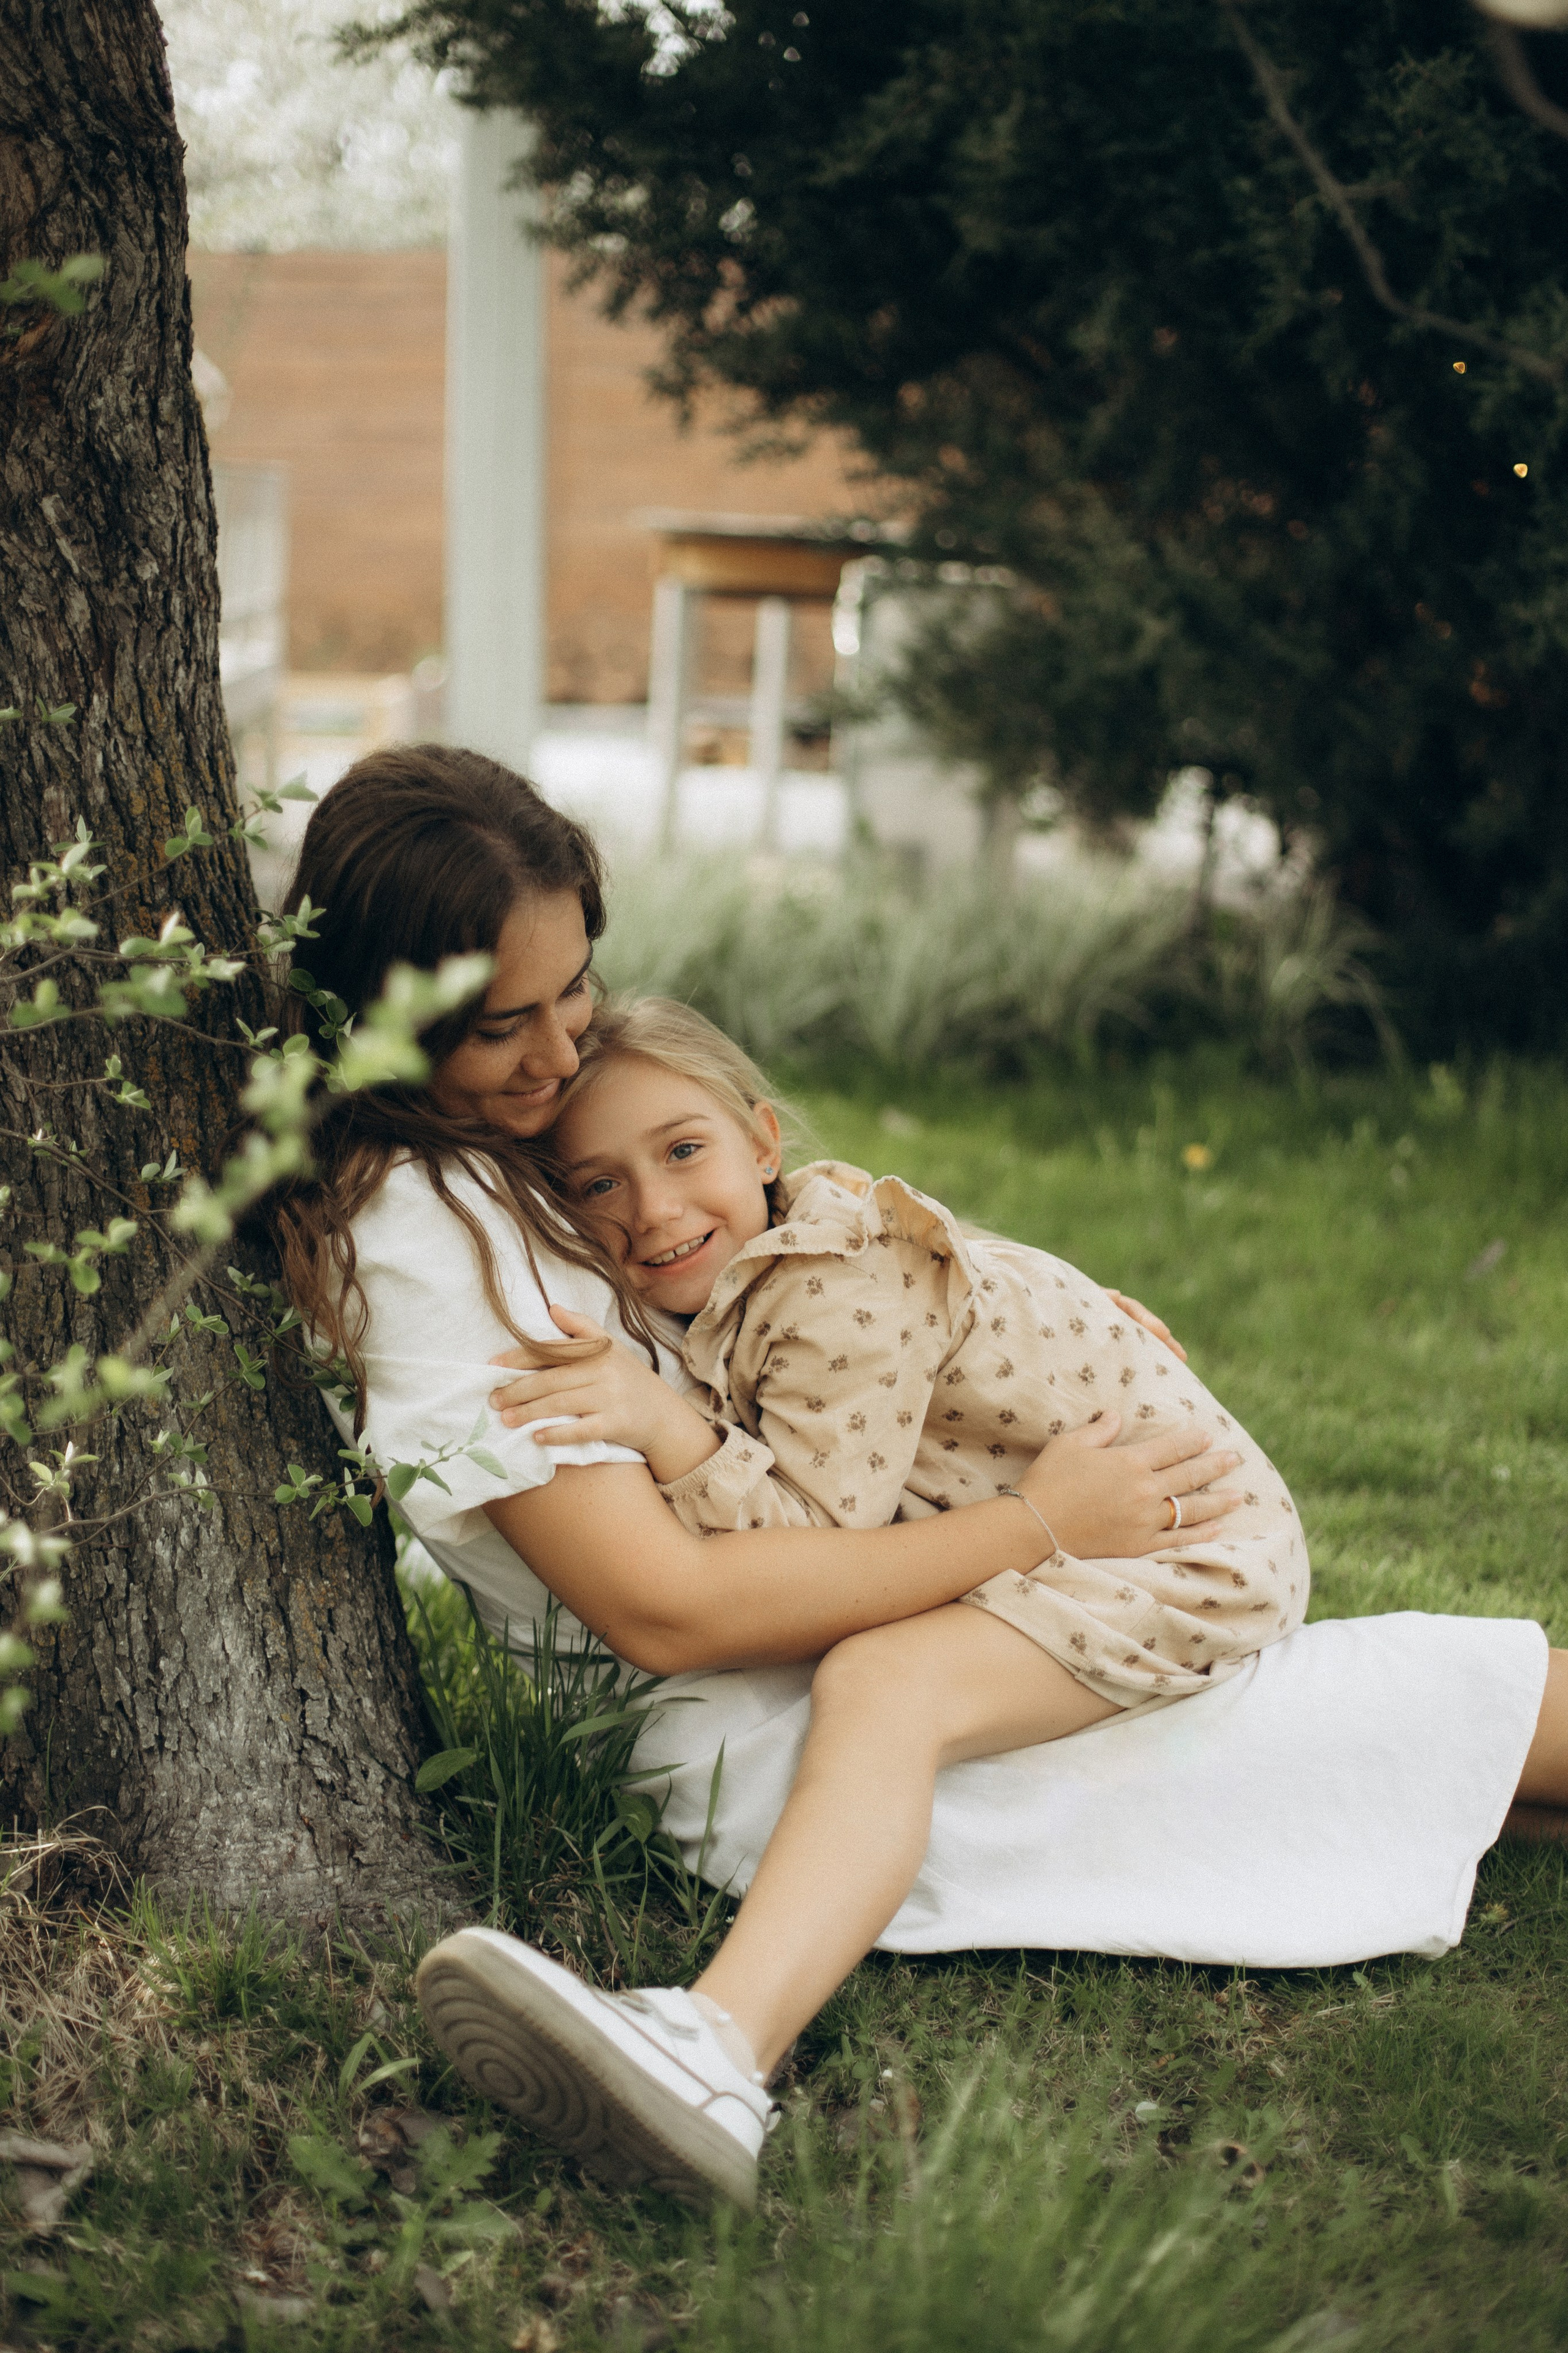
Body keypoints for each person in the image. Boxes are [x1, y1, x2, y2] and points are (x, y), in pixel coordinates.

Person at [265, 743, 1567, 2215]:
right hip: (806, 1700)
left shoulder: (507, 1148)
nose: (563, 1053)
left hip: (925, 1619)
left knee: (1382, 1721)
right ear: (380, 1010)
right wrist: (1032, 1518)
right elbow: (675, 1609)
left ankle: (715, 2043)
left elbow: (792, 1289)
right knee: (1388, 1721)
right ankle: (714, 2047)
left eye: (576, 990)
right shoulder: (434, 1226)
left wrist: (1025, 1320)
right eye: (509, 1022)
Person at [499, 991, 1308, 1711]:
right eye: (599, 1187)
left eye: (683, 1150)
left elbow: (814, 1549)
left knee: (877, 1696)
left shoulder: (828, 1291)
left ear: (761, 1144)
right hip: (1136, 1530)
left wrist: (660, 1422)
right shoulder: (791, 1235)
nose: (655, 1209)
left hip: (1181, 1551)